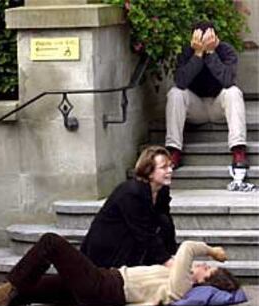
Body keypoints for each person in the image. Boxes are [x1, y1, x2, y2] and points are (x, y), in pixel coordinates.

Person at [0, 233, 239, 306]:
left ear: (205, 280)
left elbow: (186, 248)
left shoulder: (183, 287)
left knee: (51, 242)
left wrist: (210, 251)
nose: (201, 266)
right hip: (104, 283)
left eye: (206, 269)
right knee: (31, 288)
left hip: (106, 288)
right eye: (206, 264)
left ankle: (4, 293)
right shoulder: (179, 282)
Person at [165, 21, 248, 169]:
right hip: (196, 108)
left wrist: (211, 53)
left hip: (219, 106)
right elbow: (181, 82)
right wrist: (197, 55)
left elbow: (228, 81)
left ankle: (238, 149)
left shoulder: (226, 51)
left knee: (234, 92)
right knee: (175, 93)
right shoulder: (186, 52)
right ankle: (174, 150)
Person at [81, 146, 177, 269]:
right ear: (149, 172)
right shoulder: (132, 193)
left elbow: (166, 223)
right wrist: (167, 261)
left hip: (131, 242)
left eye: (170, 166)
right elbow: (143, 232)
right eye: (164, 167)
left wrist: (172, 255)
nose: (170, 170)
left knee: (164, 221)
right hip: (109, 247)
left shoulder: (162, 190)